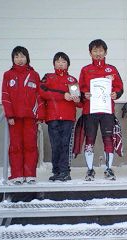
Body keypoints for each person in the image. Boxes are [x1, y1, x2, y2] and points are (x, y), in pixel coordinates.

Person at [79, 39, 124, 181]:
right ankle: (90, 170)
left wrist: (116, 94)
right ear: (90, 53)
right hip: (90, 111)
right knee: (89, 140)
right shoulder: (85, 70)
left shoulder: (112, 69)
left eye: (100, 51)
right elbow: (80, 88)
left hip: (107, 110)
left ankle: (108, 169)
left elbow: (119, 87)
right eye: (95, 51)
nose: (98, 53)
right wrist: (84, 94)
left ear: (105, 52)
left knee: (108, 139)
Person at [1, 46, 44, 184]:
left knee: (31, 146)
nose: (20, 59)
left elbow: (39, 96)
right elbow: (5, 96)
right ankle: (17, 175)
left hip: (30, 118)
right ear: (13, 59)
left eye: (22, 56)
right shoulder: (8, 75)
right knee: (16, 146)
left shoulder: (34, 75)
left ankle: (30, 174)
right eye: (16, 56)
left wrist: (39, 115)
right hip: (15, 118)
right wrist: (10, 115)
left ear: (27, 58)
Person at [40, 52, 80, 181]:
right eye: (58, 61)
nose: (60, 63)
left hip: (68, 117)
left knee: (65, 144)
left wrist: (77, 99)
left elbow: (78, 102)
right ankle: (56, 171)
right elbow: (42, 92)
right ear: (54, 64)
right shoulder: (48, 77)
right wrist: (63, 95)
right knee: (55, 144)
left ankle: (65, 171)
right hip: (53, 117)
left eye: (63, 61)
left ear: (68, 64)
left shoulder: (72, 80)